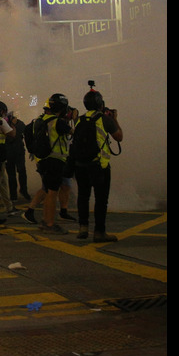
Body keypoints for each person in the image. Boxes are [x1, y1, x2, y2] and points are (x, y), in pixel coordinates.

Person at [72, 90, 123, 242]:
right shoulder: (104, 119)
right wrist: (115, 119)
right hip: (99, 166)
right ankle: (99, 232)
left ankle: (83, 227)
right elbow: (119, 136)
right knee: (101, 199)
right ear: (101, 104)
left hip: (80, 165)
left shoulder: (80, 120)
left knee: (83, 196)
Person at [22, 94, 73, 234]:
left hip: (42, 161)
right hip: (55, 161)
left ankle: (46, 221)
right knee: (52, 193)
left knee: (48, 190)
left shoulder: (38, 120)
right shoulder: (58, 122)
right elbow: (74, 133)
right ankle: (49, 223)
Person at [4, 110, 30, 201]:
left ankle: (18, 193)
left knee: (16, 173)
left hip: (14, 152)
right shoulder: (8, 124)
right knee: (16, 173)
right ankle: (17, 193)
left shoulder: (6, 124)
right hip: (14, 152)